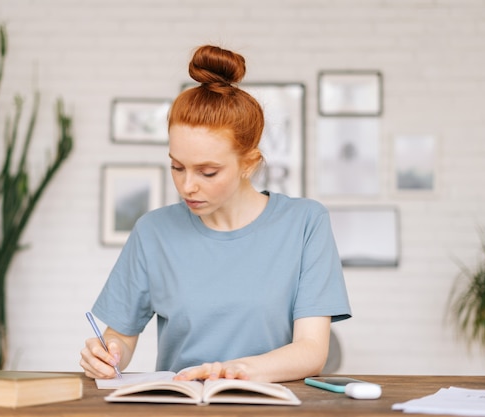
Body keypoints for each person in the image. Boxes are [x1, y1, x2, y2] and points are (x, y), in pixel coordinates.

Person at [80, 45, 351, 383]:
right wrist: (107, 353)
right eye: (177, 167)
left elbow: (311, 350)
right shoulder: (154, 232)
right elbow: (119, 336)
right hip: (181, 403)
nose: (187, 186)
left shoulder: (305, 223)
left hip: (269, 405)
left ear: (248, 165)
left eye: (207, 172)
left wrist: (232, 372)